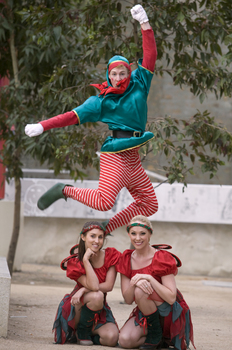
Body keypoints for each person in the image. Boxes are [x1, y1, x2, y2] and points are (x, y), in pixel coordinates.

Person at [24, 5, 158, 235]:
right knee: (104, 202)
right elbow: (70, 116)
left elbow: (151, 55)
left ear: (128, 72)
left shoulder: (140, 83)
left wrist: (145, 24)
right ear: (108, 75)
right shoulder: (101, 101)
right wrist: (42, 126)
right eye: (113, 74)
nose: (118, 78)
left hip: (133, 158)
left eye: (122, 73)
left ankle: (108, 227)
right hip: (115, 156)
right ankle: (63, 190)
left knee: (150, 205)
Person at [117, 215, 195, 350]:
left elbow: (171, 298)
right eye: (133, 233)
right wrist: (134, 282)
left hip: (167, 310)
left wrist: (149, 279)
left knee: (141, 290)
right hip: (146, 312)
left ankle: (156, 336)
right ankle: (158, 337)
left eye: (142, 233)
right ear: (129, 234)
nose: (138, 238)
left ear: (150, 234)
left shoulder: (161, 257)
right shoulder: (126, 258)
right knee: (125, 341)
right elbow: (128, 299)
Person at [53, 220, 121, 346]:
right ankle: (81, 332)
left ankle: (88, 334)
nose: (97, 241)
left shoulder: (111, 256)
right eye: (92, 236)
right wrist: (85, 260)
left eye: (100, 237)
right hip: (78, 304)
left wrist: (83, 289)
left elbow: (108, 286)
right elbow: (95, 287)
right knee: (97, 295)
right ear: (83, 237)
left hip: (98, 308)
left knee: (112, 338)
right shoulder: (75, 262)